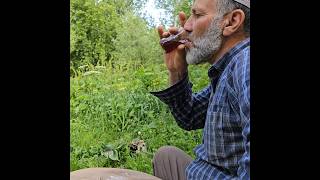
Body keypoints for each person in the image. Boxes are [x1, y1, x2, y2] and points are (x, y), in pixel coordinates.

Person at [150, 0, 250, 179]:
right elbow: (188, 116)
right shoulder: (226, 70)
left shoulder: (246, 63)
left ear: (232, 21)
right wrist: (177, 71)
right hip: (204, 172)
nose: (187, 26)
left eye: (197, 15)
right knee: (166, 156)